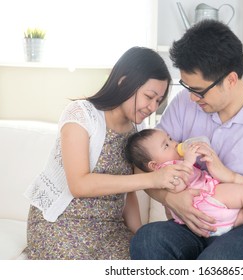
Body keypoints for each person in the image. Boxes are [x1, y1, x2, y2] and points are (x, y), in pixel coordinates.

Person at [130, 20, 243, 260]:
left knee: (214, 264)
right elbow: (145, 165)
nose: (192, 98)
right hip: (194, 222)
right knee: (148, 239)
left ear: (231, 80)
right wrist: (172, 198)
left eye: (199, 91)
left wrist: (234, 178)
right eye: (187, 87)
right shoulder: (185, 102)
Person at [23, 47, 193, 260]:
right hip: (61, 223)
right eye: (149, 97)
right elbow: (79, 185)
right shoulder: (81, 115)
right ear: (124, 82)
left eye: (158, 101)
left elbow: (129, 192)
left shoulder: (136, 133)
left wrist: (139, 234)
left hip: (109, 230)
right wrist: (151, 178)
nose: (152, 107)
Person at [125, 128, 243, 248]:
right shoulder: (166, 171)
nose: (174, 144)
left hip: (214, 219)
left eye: (170, 139)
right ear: (154, 165)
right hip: (204, 202)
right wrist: (188, 161)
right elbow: (177, 185)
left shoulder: (170, 163)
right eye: (166, 145)